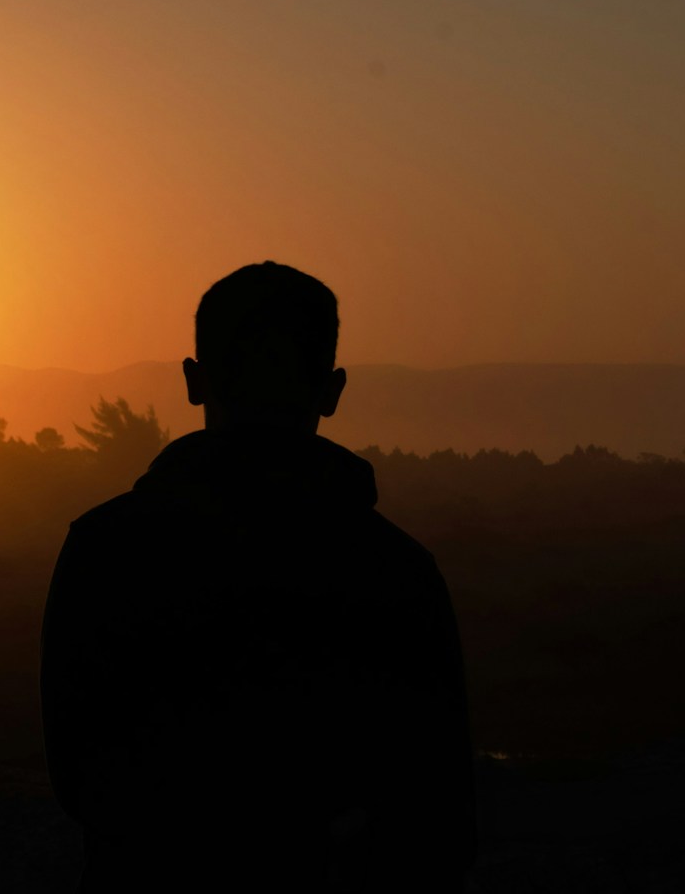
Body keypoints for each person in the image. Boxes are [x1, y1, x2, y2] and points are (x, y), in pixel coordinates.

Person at [41, 261, 476, 892]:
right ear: (332, 390)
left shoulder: (105, 548)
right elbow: (438, 813)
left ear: (194, 381)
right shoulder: (395, 569)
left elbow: (80, 777)